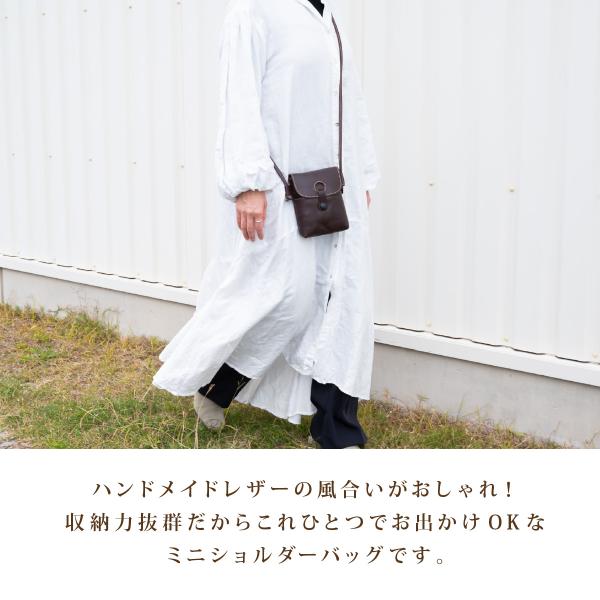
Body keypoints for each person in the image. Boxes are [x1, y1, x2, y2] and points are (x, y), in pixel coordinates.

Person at [151, 0, 381, 449]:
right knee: (285, 297)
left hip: (334, 187)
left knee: (340, 298)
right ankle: (218, 384)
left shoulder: (328, 19)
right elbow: (238, 99)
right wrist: (248, 183)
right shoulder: (253, 13)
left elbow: (349, 102)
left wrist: (362, 175)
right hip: (276, 187)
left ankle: (336, 428)